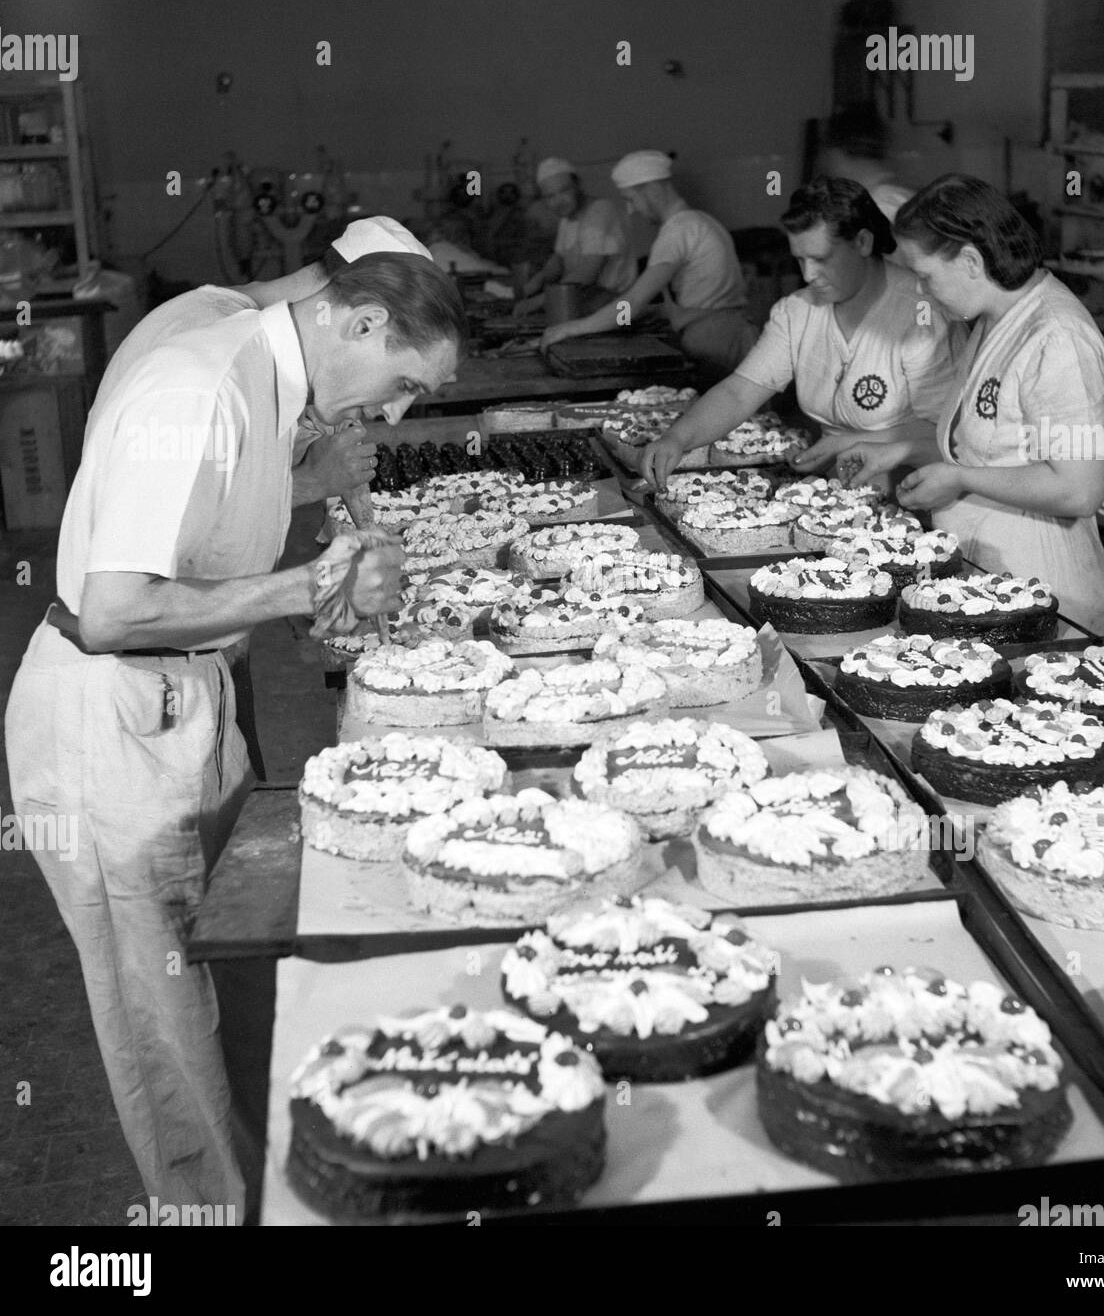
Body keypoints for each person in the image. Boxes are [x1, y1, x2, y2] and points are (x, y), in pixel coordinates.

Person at [4, 253, 466, 1220]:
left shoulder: (257, 377)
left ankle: (266, 1193)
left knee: (222, 979)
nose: (394, 415)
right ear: (364, 322)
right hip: (114, 716)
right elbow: (114, 612)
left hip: (187, 696)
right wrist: (314, 587)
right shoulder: (201, 382)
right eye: (404, 386)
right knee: (164, 1025)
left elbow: (204, 522)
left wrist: (312, 481)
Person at [97, 214, 435, 777]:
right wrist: (311, 576)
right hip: (139, 679)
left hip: (198, 640)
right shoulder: (200, 345)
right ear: (356, 312)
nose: (385, 403)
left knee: (239, 794)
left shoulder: (282, 349)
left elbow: (226, 497)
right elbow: (123, 599)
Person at [835, 174, 1104, 641]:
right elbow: (987, 442)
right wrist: (899, 450)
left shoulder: (1058, 336)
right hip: (994, 581)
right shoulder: (992, 319)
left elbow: (1080, 489)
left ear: (970, 260)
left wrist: (960, 478)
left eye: (925, 276)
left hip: (1050, 591)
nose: (922, 293)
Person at [639, 177, 961, 491]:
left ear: (863, 242)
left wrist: (846, 443)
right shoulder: (798, 312)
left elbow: (941, 429)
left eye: (821, 259)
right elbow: (740, 392)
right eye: (800, 259)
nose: (808, 275)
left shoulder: (921, 313)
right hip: (838, 491)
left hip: (915, 492)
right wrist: (677, 438)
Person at [540, 149, 757, 382]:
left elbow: (631, 303)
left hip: (716, 341)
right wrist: (649, 312)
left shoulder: (678, 230)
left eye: (630, 199)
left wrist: (570, 329)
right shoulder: (702, 221)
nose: (631, 210)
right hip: (725, 333)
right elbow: (701, 299)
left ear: (652, 190)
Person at [513, 158, 634, 316]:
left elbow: (588, 272)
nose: (558, 202)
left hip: (616, 308)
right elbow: (559, 258)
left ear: (578, 186)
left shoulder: (600, 211)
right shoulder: (568, 217)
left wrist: (538, 301)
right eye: (550, 196)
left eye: (564, 191)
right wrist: (540, 278)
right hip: (585, 302)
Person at [819, 103, 914, 228]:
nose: (823, 161)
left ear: (838, 153)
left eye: (826, 151)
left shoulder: (883, 206)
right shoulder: (887, 199)